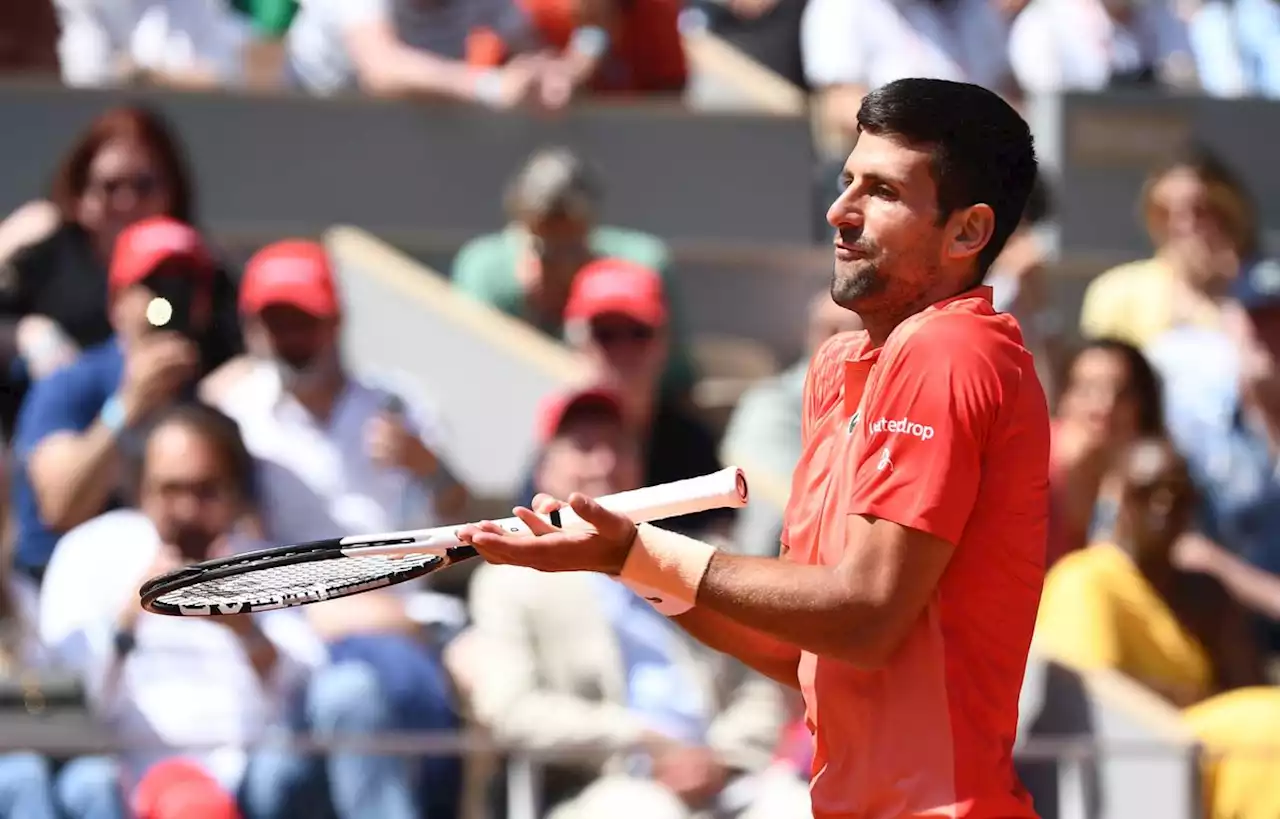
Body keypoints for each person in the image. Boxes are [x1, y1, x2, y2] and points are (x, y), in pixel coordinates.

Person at [460, 77, 1048, 818]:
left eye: (884, 192)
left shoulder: (950, 349)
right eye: (846, 182)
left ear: (967, 233)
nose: (841, 211)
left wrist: (638, 551)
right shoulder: (840, 369)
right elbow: (798, 643)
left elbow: (863, 613)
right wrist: (624, 560)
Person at [453, 387, 801, 819]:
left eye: (618, 446)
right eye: (583, 447)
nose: (604, 463)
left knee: (799, 806)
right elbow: (512, 710)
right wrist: (642, 739)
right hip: (609, 785)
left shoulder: (686, 553)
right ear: (544, 469)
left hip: (727, 778)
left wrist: (721, 758)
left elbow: (758, 683)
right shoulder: (509, 583)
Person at [9, 216, 216, 586]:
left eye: (185, 284)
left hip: (162, 598)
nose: (168, 300)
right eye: (153, 284)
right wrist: (129, 405)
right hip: (61, 592)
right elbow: (59, 508)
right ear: (117, 302)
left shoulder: (203, 406)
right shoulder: (70, 382)